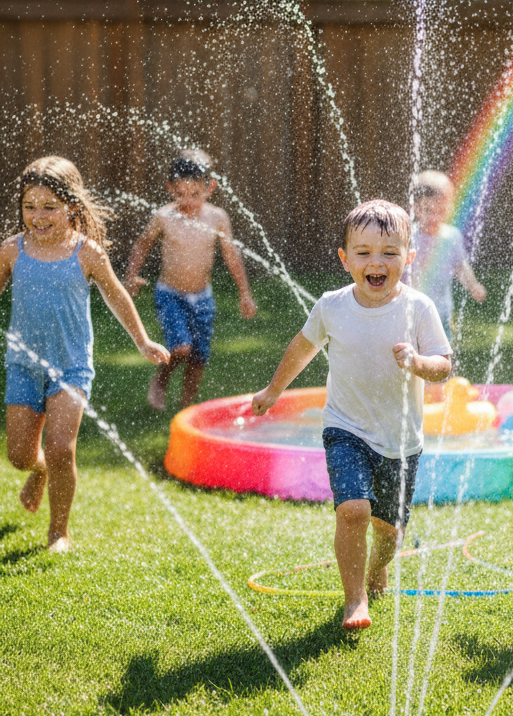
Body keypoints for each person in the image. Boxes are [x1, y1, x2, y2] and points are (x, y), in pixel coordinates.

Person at [252, 199, 452, 630]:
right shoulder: (332, 306)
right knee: (353, 511)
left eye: (389, 252)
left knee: (389, 532)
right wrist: (273, 390)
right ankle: (355, 599)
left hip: (401, 442)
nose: (376, 262)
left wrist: (419, 363)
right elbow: (303, 347)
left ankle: (378, 567)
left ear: (409, 258)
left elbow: (443, 365)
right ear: (345, 259)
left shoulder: (419, 308)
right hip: (345, 428)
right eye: (363, 253)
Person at [0, 157, 169, 553]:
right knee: (20, 456)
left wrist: (143, 341)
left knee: (62, 448)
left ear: (71, 206)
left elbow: (117, 296)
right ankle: (39, 471)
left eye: (49, 207)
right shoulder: (11, 250)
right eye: (29, 206)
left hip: (71, 366)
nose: (38, 216)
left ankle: (58, 531)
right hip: (23, 365)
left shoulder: (86, 252)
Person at [126, 150, 256, 412]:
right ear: (169, 187)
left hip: (203, 296)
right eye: (180, 194)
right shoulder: (165, 216)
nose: (187, 201)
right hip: (170, 294)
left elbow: (231, 255)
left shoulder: (217, 217)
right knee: (182, 348)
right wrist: (131, 276)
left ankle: (185, 409)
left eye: (195, 194)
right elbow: (142, 244)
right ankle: (161, 380)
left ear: (210, 188)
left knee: (198, 357)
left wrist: (244, 293)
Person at [407, 170, 486, 339]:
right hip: (410, 312)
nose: (434, 217)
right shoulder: (408, 238)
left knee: (442, 350)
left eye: (441, 210)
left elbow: (460, 266)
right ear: (414, 208)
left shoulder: (451, 237)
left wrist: (472, 285)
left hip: (441, 313)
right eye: (428, 210)